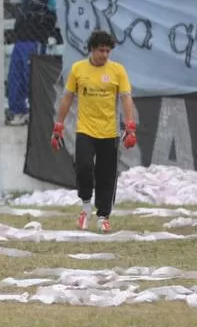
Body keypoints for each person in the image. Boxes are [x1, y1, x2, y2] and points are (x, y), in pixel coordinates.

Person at [51, 30, 137, 234]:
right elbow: (67, 98)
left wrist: (130, 125)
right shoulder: (78, 69)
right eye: (101, 50)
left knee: (107, 175)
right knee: (84, 167)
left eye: (108, 51)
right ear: (91, 49)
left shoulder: (117, 71)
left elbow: (125, 97)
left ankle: (103, 216)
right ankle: (86, 206)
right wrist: (58, 126)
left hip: (109, 132)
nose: (105, 55)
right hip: (85, 130)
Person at [7, 0, 58, 124]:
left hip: (35, 42)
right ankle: (18, 111)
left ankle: (37, 111)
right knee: (15, 78)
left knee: (32, 78)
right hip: (20, 41)